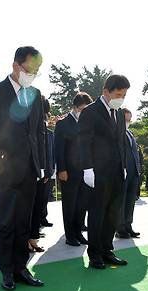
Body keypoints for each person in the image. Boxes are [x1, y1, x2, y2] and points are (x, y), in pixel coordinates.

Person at [0, 46, 46, 291]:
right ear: (16, 65)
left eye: (37, 70)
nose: (33, 74)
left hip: (29, 169)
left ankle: (21, 267)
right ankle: (6, 270)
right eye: (31, 68)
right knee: (6, 222)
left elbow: (39, 132)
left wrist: (41, 165)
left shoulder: (35, 94)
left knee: (24, 222)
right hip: (4, 168)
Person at [78, 74, 130, 270]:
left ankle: (107, 250)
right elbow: (84, 142)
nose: (121, 97)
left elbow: (121, 143)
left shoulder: (118, 113)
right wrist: (87, 169)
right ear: (105, 91)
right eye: (118, 94)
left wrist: (123, 166)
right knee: (97, 213)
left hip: (116, 171)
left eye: (124, 94)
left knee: (112, 213)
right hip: (97, 172)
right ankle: (95, 254)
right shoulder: (91, 112)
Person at [55, 91, 92, 246]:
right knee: (70, 204)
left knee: (82, 204)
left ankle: (78, 232)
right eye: (83, 109)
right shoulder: (63, 123)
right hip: (69, 172)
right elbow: (58, 149)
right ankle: (70, 235)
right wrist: (61, 169)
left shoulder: (88, 123)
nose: (85, 112)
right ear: (76, 107)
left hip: (85, 171)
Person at [29, 97, 55, 252]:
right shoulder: (26, 126)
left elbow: (47, 153)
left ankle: (33, 239)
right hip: (28, 174)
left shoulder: (46, 130)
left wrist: (47, 172)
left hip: (43, 175)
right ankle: (24, 240)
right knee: (27, 209)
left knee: (37, 208)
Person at [116, 108, 142, 239]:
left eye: (130, 119)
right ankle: (120, 228)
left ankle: (128, 225)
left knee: (130, 200)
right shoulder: (117, 133)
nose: (128, 121)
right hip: (123, 172)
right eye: (126, 119)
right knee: (122, 200)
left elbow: (135, 153)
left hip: (134, 172)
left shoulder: (130, 133)